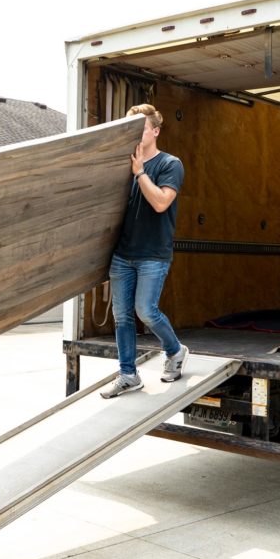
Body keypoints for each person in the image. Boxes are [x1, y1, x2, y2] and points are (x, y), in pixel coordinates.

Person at [101, 104, 188, 399]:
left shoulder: (170, 164)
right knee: (122, 316)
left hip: (153, 254)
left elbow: (162, 202)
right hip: (123, 254)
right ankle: (128, 374)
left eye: (139, 126)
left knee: (146, 311)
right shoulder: (121, 163)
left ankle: (175, 351)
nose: (133, 132)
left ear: (155, 131)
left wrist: (139, 173)